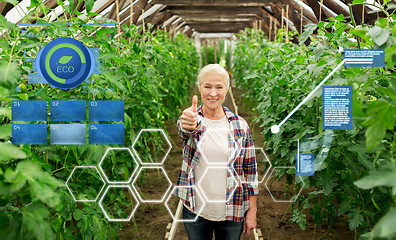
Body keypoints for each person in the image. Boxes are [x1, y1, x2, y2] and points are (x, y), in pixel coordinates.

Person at [175, 64, 258, 240]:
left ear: (227, 89)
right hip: (196, 211)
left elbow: (250, 172)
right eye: (207, 86)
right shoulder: (193, 120)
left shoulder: (240, 126)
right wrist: (187, 123)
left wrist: (252, 211)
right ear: (199, 87)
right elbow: (185, 129)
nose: (213, 93)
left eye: (219, 87)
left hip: (232, 211)